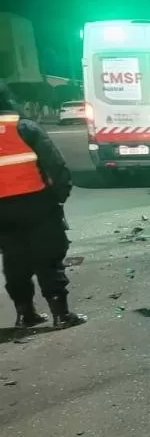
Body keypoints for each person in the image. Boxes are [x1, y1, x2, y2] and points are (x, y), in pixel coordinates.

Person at [0, 84, 85, 329]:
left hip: (3, 211)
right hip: (37, 205)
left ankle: (25, 314)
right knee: (48, 257)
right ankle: (61, 314)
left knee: (14, 261)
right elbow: (55, 165)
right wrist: (59, 196)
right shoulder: (25, 128)